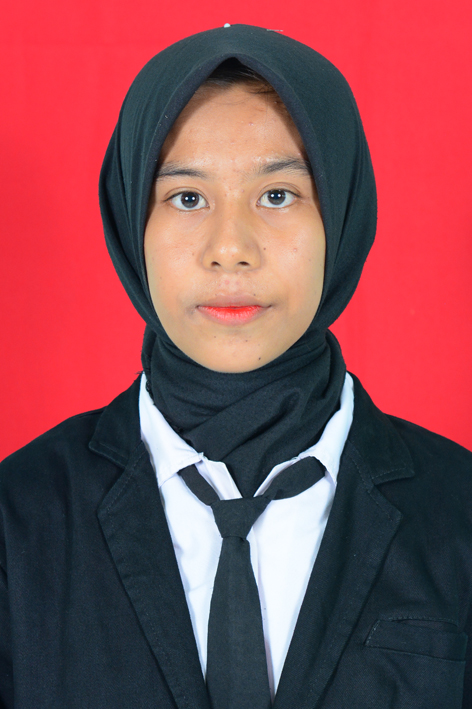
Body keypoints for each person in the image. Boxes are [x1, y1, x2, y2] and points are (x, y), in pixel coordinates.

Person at [0, 23, 471, 709]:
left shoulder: (459, 512)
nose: (230, 248)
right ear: (132, 223)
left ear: (341, 217)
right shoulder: (17, 518)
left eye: (277, 195)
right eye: (187, 198)